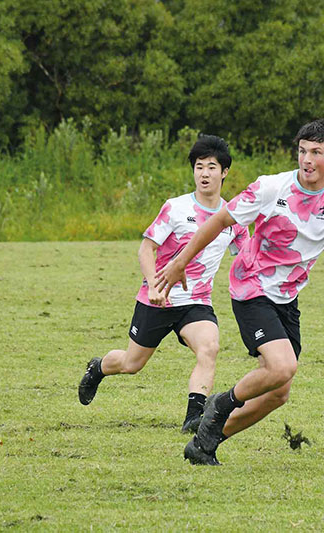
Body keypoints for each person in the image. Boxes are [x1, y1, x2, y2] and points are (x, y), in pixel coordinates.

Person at [156, 118, 324, 465]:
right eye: (302, 151)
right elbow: (219, 220)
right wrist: (179, 264)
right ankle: (221, 403)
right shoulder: (271, 187)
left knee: (278, 393)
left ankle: (205, 443)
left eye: (316, 152)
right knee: (282, 367)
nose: (307, 159)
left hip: (287, 296)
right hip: (251, 286)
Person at [78, 135, 249, 433]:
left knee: (209, 348)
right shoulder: (175, 207)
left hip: (196, 302)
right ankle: (98, 368)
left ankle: (193, 419)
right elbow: (147, 248)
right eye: (199, 167)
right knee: (132, 364)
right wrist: (154, 287)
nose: (204, 174)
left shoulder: (232, 217)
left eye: (211, 167)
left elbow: (246, 257)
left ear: (224, 172)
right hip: (157, 299)